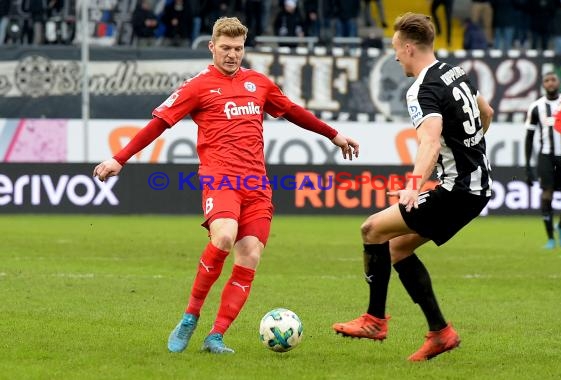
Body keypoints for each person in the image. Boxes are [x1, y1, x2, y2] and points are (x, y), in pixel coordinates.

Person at [93, 16, 359, 355]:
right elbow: (159, 124)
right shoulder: (197, 86)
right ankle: (190, 316)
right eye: (225, 48)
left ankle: (216, 335)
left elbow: (292, 111)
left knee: (250, 256)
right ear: (212, 47)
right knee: (223, 236)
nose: (232, 55)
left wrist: (334, 135)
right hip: (220, 180)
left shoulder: (258, 83)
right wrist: (120, 158)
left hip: (256, 185)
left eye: (238, 49)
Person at [332, 12, 493, 362]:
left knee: (372, 229)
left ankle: (374, 321)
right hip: (477, 187)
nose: (394, 57)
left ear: (408, 48)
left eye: (395, 50)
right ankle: (441, 333)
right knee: (397, 250)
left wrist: (411, 186)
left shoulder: (421, 89)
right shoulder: (455, 71)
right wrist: (470, 150)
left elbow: (430, 143)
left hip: (457, 191)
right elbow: (487, 112)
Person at [525, 72, 561, 249]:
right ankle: (550, 238)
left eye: (553, 80)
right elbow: (529, 138)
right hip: (546, 156)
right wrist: (527, 166)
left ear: (558, 82)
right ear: (543, 84)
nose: (550, 83)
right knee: (546, 195)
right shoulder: (536, 107)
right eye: (546, 80)